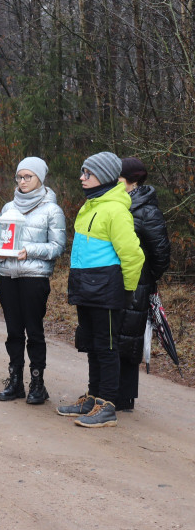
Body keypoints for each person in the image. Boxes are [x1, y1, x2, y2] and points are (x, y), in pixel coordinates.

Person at [56, 152, 145, 427]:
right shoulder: (91, 205)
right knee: (92, 345)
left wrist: (126, 291)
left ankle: (108, 404)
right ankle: (93, 399)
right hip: (86, 288)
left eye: (87, 173)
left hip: (107, 291)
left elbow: (133, 255)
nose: (82, 178)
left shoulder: (116, 209)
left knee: (107, 348)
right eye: (83, 172)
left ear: (104, 176)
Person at [0, 157, 66, 404]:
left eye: (28, 177)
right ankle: (15, 382)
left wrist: (28, 250)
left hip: (34, 278)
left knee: (33, 332)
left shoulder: (52, 210)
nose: (22, 182)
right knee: (13, 332)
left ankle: (37, 383)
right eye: (19, 177)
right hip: (7, 277)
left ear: (39, 178)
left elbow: (57, 246)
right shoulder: (7, 208)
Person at [115, 157, 171, 412]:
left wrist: (145, 277)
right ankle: (107, 390)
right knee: (114, 335)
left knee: (130, 339)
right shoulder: (118, 204)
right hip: (113, 280)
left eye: (118, 176)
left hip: (138, 283)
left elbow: (161, 254)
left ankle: (124, 397)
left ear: (130, 179)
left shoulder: (147, 210)